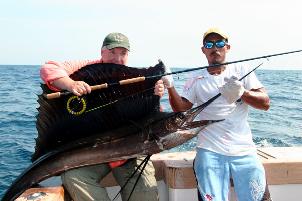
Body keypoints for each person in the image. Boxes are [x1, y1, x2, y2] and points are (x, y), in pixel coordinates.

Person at [40, 32, 164, 201]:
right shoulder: (85, 66)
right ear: (102, 51)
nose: (118, 58)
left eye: (123, 53)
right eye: (113, 52)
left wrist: (156, 96)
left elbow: (153, 118)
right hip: (94, 153)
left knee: (145, 194)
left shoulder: (134, 78)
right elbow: (49, 68)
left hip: (130, 154)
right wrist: (70, 84)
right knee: (73, 177)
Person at [161, 28, 272, 201]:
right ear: (203, 50)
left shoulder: (242, 70)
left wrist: (242, 93)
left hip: (244, 150)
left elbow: (265, 103)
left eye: (220, 43)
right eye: (209, 44)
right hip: (209, 150)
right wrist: (170, 86)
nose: (215, 48)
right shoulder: (195, 78)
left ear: (228, 47)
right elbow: (181, 109)